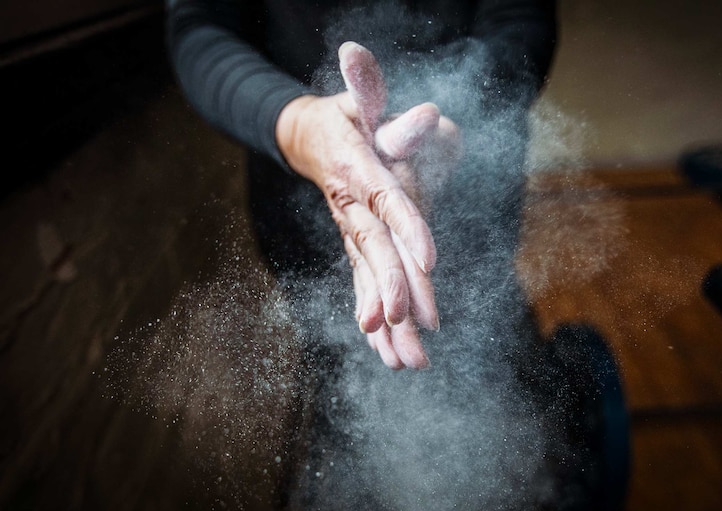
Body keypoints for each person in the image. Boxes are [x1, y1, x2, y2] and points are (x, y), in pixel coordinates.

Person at [166, 0, 558, 371]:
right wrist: (300, 125)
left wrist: (447, 118)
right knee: (336, 360)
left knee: (494, 349)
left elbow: (519, 15)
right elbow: (199, 29)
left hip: (468, 176)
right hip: (298, 197)